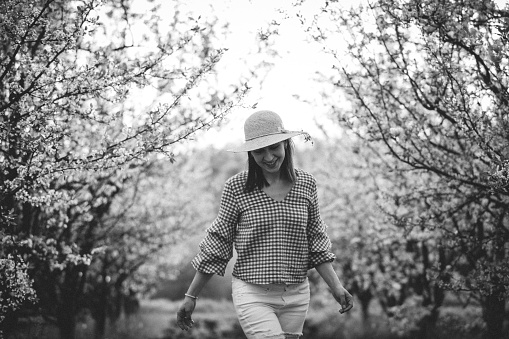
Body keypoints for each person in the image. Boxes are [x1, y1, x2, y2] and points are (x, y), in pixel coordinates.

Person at [176, 110, 353, 339]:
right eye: (259, 151)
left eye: (274, 148)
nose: (268, 157)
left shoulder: (307, 184)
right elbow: (218, 245)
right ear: (251, 153)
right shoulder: (236, 188)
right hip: (252, 292)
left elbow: (316, 243)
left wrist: (337, 288)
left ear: (286, 145)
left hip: (297, 294)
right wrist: (191, 297)